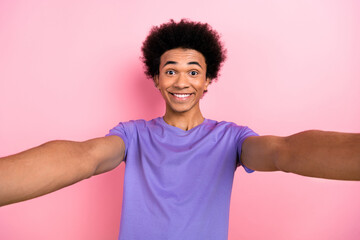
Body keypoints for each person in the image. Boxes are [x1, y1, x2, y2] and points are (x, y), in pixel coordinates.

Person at [0, 19, 359, 240]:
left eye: (193, 71)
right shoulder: (132, 135)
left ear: (207, 81)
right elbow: (86, 157)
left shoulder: (231, 138)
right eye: (170, 70)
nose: (181, 80)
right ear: (156, 79)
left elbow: (284, 152)